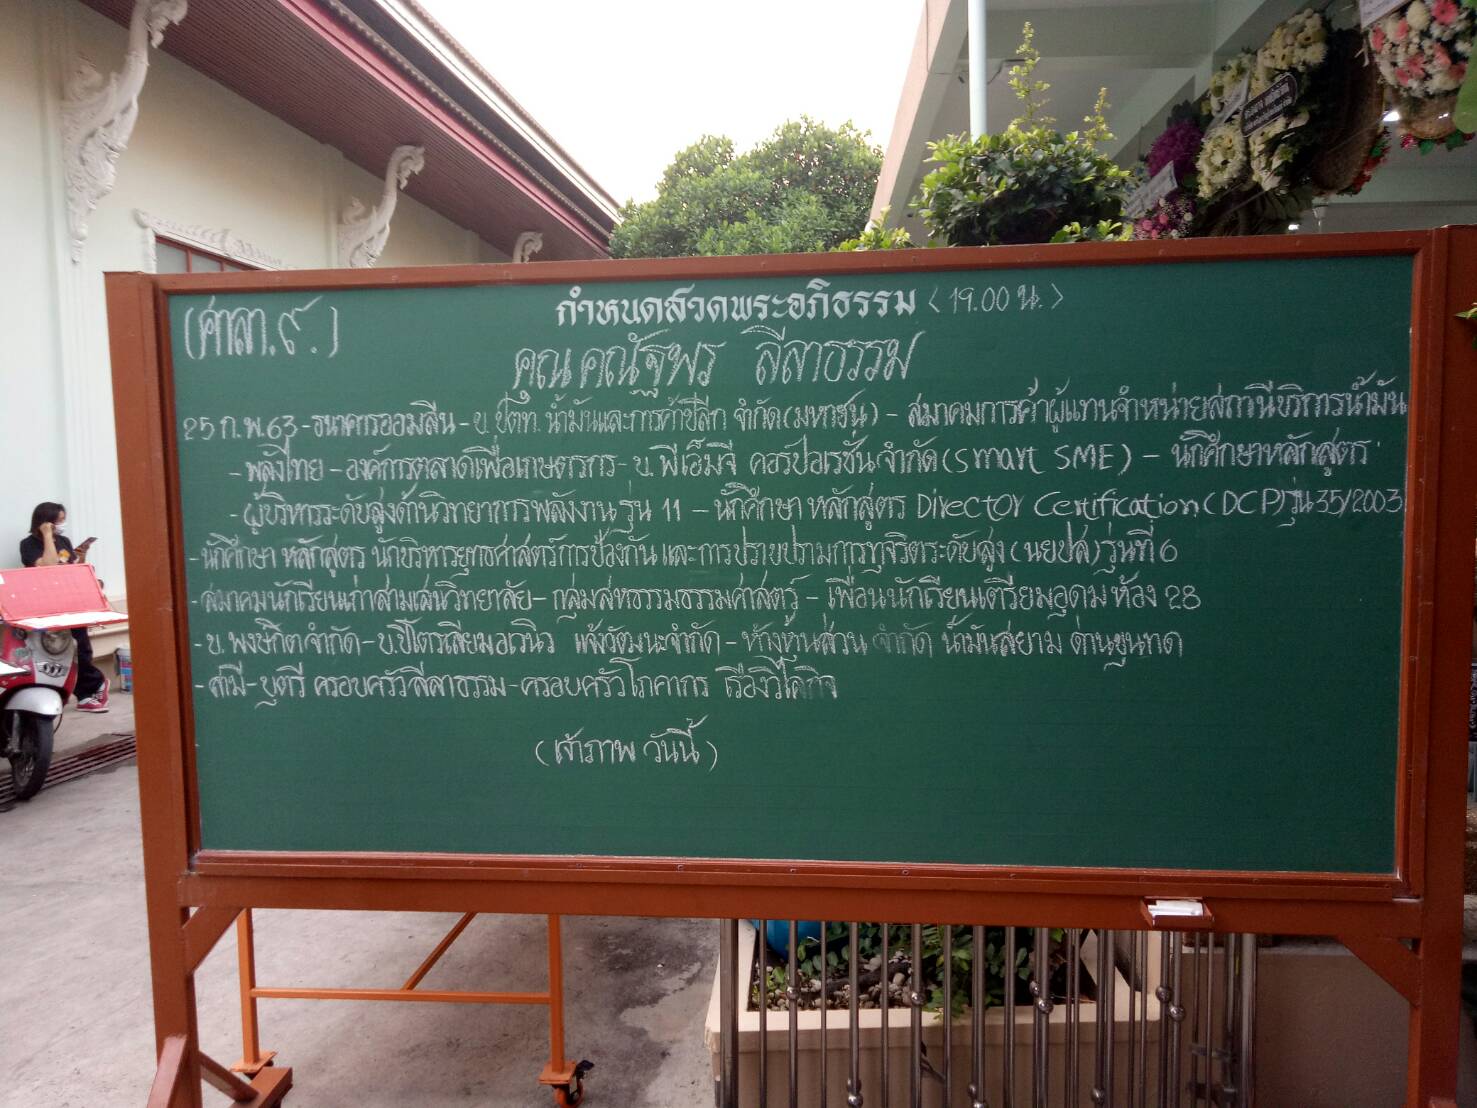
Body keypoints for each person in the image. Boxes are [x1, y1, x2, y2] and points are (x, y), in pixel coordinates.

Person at [18, 502, 109, 713]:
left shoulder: (64, 541)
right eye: (58, 521)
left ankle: (90, 689)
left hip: (69, 598)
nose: (61, 525)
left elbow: (71, 565)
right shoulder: (28, 544)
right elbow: (48, 566)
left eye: (62, 520)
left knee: (80, 646)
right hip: (45, 602)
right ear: (45, 522)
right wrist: (47, 536)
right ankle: (77, 689)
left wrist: (81, 555)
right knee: (55, 650)